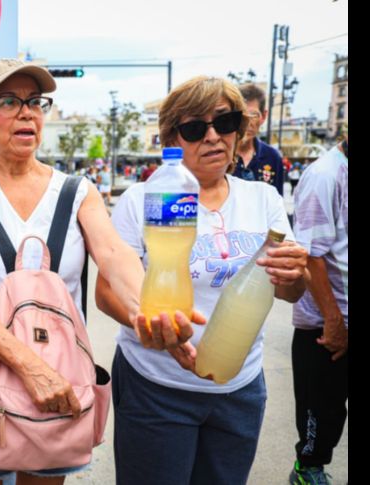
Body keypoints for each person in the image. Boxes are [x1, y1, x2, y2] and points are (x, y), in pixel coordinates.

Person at [0, 58, 144, 484]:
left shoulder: (76, 191)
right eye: (8, 101)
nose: (26, 112)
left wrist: (147, 311)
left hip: (59, 383)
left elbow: (114, 254)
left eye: (35, 102)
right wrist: (29, 366)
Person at [96, 76, 309, 484]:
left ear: (239, 130)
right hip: (157, 385)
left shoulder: (262, 199)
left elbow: (289, 291)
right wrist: (146, 322)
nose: (213, 137)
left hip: (240, 384)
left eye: (224, 122)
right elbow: (106, 292)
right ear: (173, 138)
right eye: (195, 128)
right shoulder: (145, 199)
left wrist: (295, 272)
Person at [288, 138, 348, 484]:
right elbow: (310, 254)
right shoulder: (325, 175)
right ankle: (306, 469)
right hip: (325, 325)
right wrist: (333, 319)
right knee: (322, 415)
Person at [232, 83, 284, 195]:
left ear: (263, 116)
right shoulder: (222, 155)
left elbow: (278, 201)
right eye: (242, 116)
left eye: (253, 116)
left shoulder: (272, 157)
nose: (247, 123)